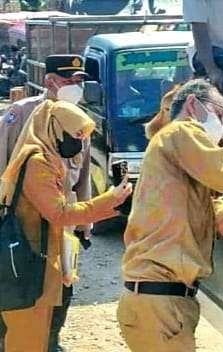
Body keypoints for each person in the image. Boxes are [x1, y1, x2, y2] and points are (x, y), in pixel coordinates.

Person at [117, 79, 223, 351]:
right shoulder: (181, 132)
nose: (222, 125)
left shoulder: (190, 177)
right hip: (160, 302)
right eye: (220, 113)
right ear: (193, 104)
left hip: (164, 303)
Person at [0, 100, 132, 352]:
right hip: (27, 266)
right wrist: (109, 200)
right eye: (75, 134)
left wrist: (111, 205)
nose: (79, 142)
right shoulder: (37, 161)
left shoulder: (48, 157)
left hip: (38, 261)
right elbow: (59, 213)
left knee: (36, 338)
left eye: (82, 137)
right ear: (54, 129)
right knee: (26, 341)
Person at [0, 54, 93, 352]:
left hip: (62, 227)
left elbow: (82, 179)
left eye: (79, 81)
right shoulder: (21, 113)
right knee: (16, 297)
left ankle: (50, 342)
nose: (75, 86)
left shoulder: (78, 121)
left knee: (61, 296)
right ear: (48, 81)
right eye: (68, 80)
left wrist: (84, 226)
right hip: (21, 229)